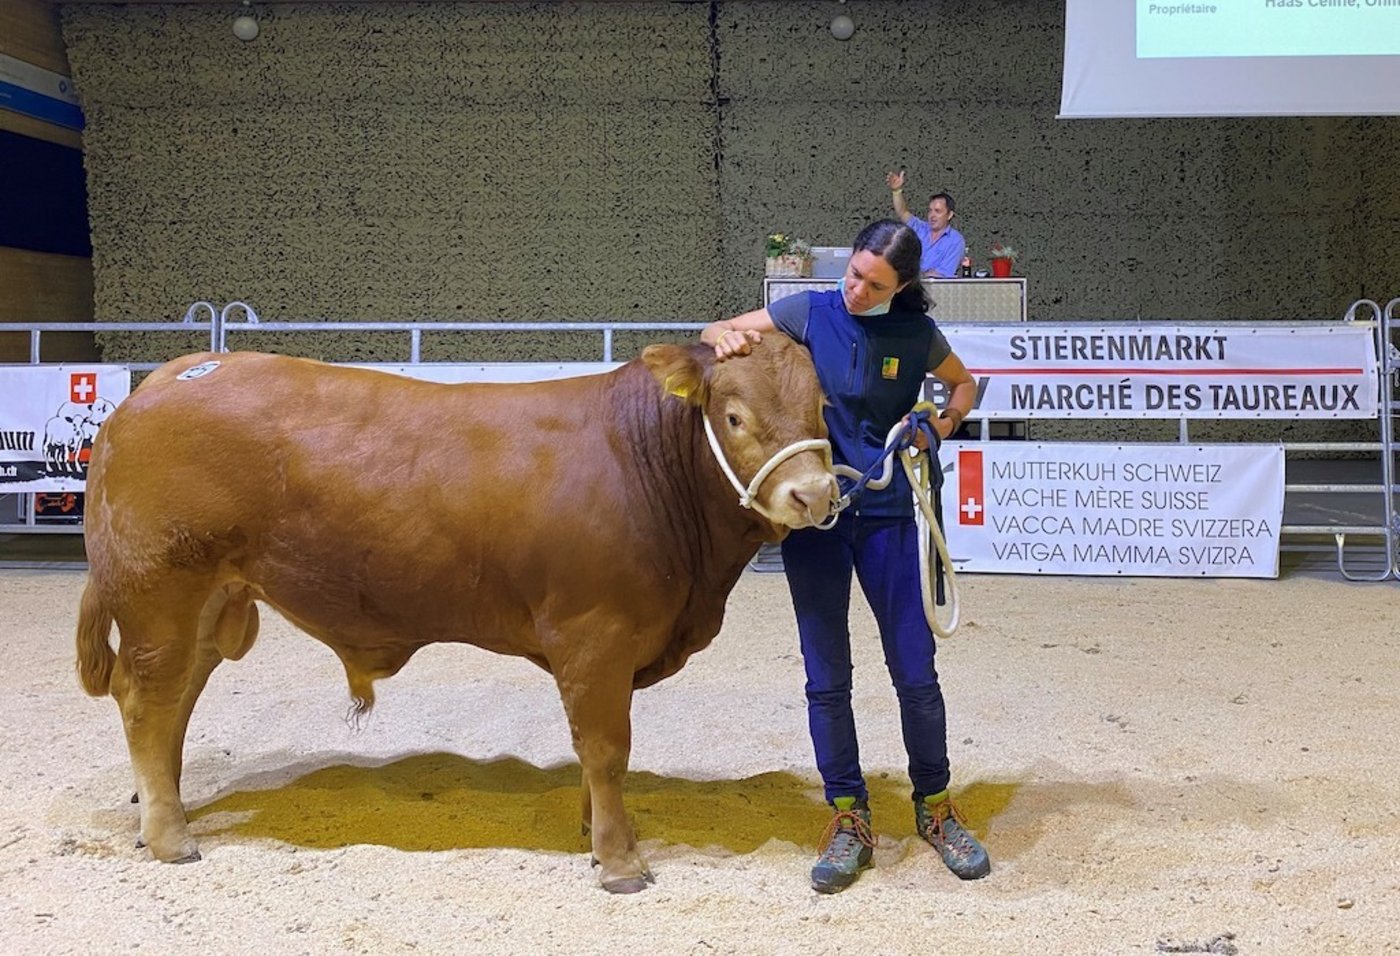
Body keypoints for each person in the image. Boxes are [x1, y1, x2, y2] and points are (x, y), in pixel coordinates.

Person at [701, 219, 989, 893]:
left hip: (887, 515)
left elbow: (965, 386)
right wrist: (725, 334)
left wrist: (938, 424)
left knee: (915, 670)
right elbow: (720, 329)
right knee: (827, 676)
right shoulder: (809, 310)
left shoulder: (916, 336)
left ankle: (935, 807)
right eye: (854, 273)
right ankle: (847, 814)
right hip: (818, 522)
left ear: (904, 286)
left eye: (873, 282)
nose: (855, 289)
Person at [885, 169, 965, 278]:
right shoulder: (920, 228)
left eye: (937, 211)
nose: (932, 215)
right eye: (930, 210)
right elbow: (902, 212)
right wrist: (896, 191)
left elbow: (943, 274)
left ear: (950, 215)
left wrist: (915, 277)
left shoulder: (956, 240)